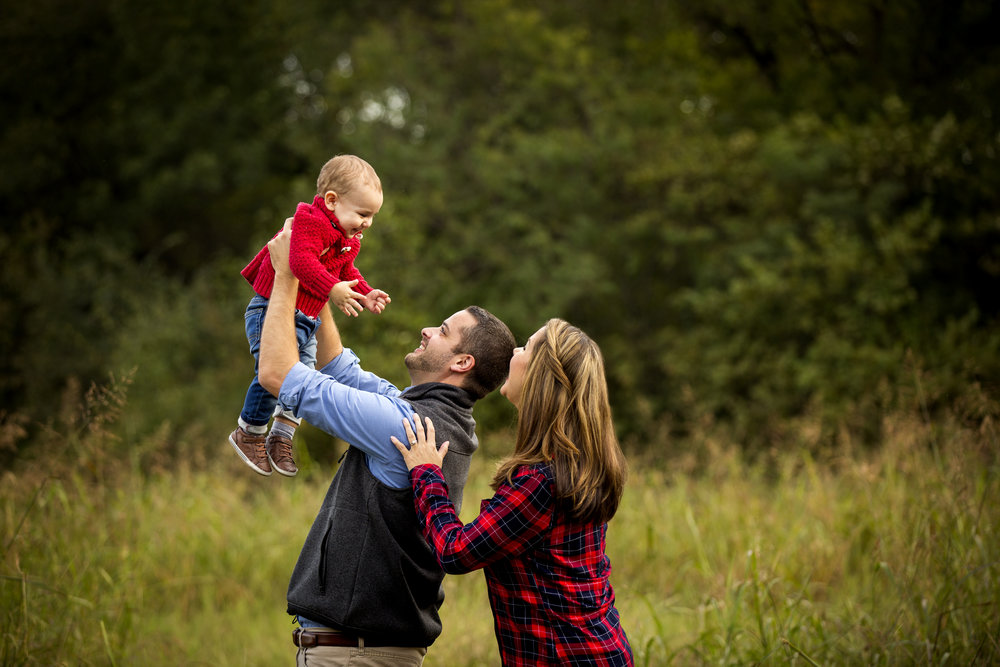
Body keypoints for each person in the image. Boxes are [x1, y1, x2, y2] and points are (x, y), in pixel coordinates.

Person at [256, 219, 517, 666]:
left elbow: (277, 374)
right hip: (367, 651)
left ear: (461, 361)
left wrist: (287, 277)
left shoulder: (406, 423)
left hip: (354, 655)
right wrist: (322, 283)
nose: (426, 331)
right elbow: (339, 368)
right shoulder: (428, 414)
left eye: (442, 330)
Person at [393, 318, 634, 666]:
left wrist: (427, 472)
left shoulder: (542, 481)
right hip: (595, 650)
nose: (514, 353)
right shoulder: (571, 465)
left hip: (566, 657)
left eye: (526, 347)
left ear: (542, 375)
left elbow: (456, 551)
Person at [230, 155, 391, 478]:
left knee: (302, 377)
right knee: (273, 375)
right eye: (362, 214)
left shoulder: (347, 239)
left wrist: (365, 290)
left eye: (372, 216)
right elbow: (300, 263)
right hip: (271, 311)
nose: (367, 223)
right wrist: (332, 289)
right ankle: (249, 431)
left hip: (307, 319)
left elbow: (347, 271)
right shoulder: (309, 222)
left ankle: (282, 436)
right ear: (331, 201)